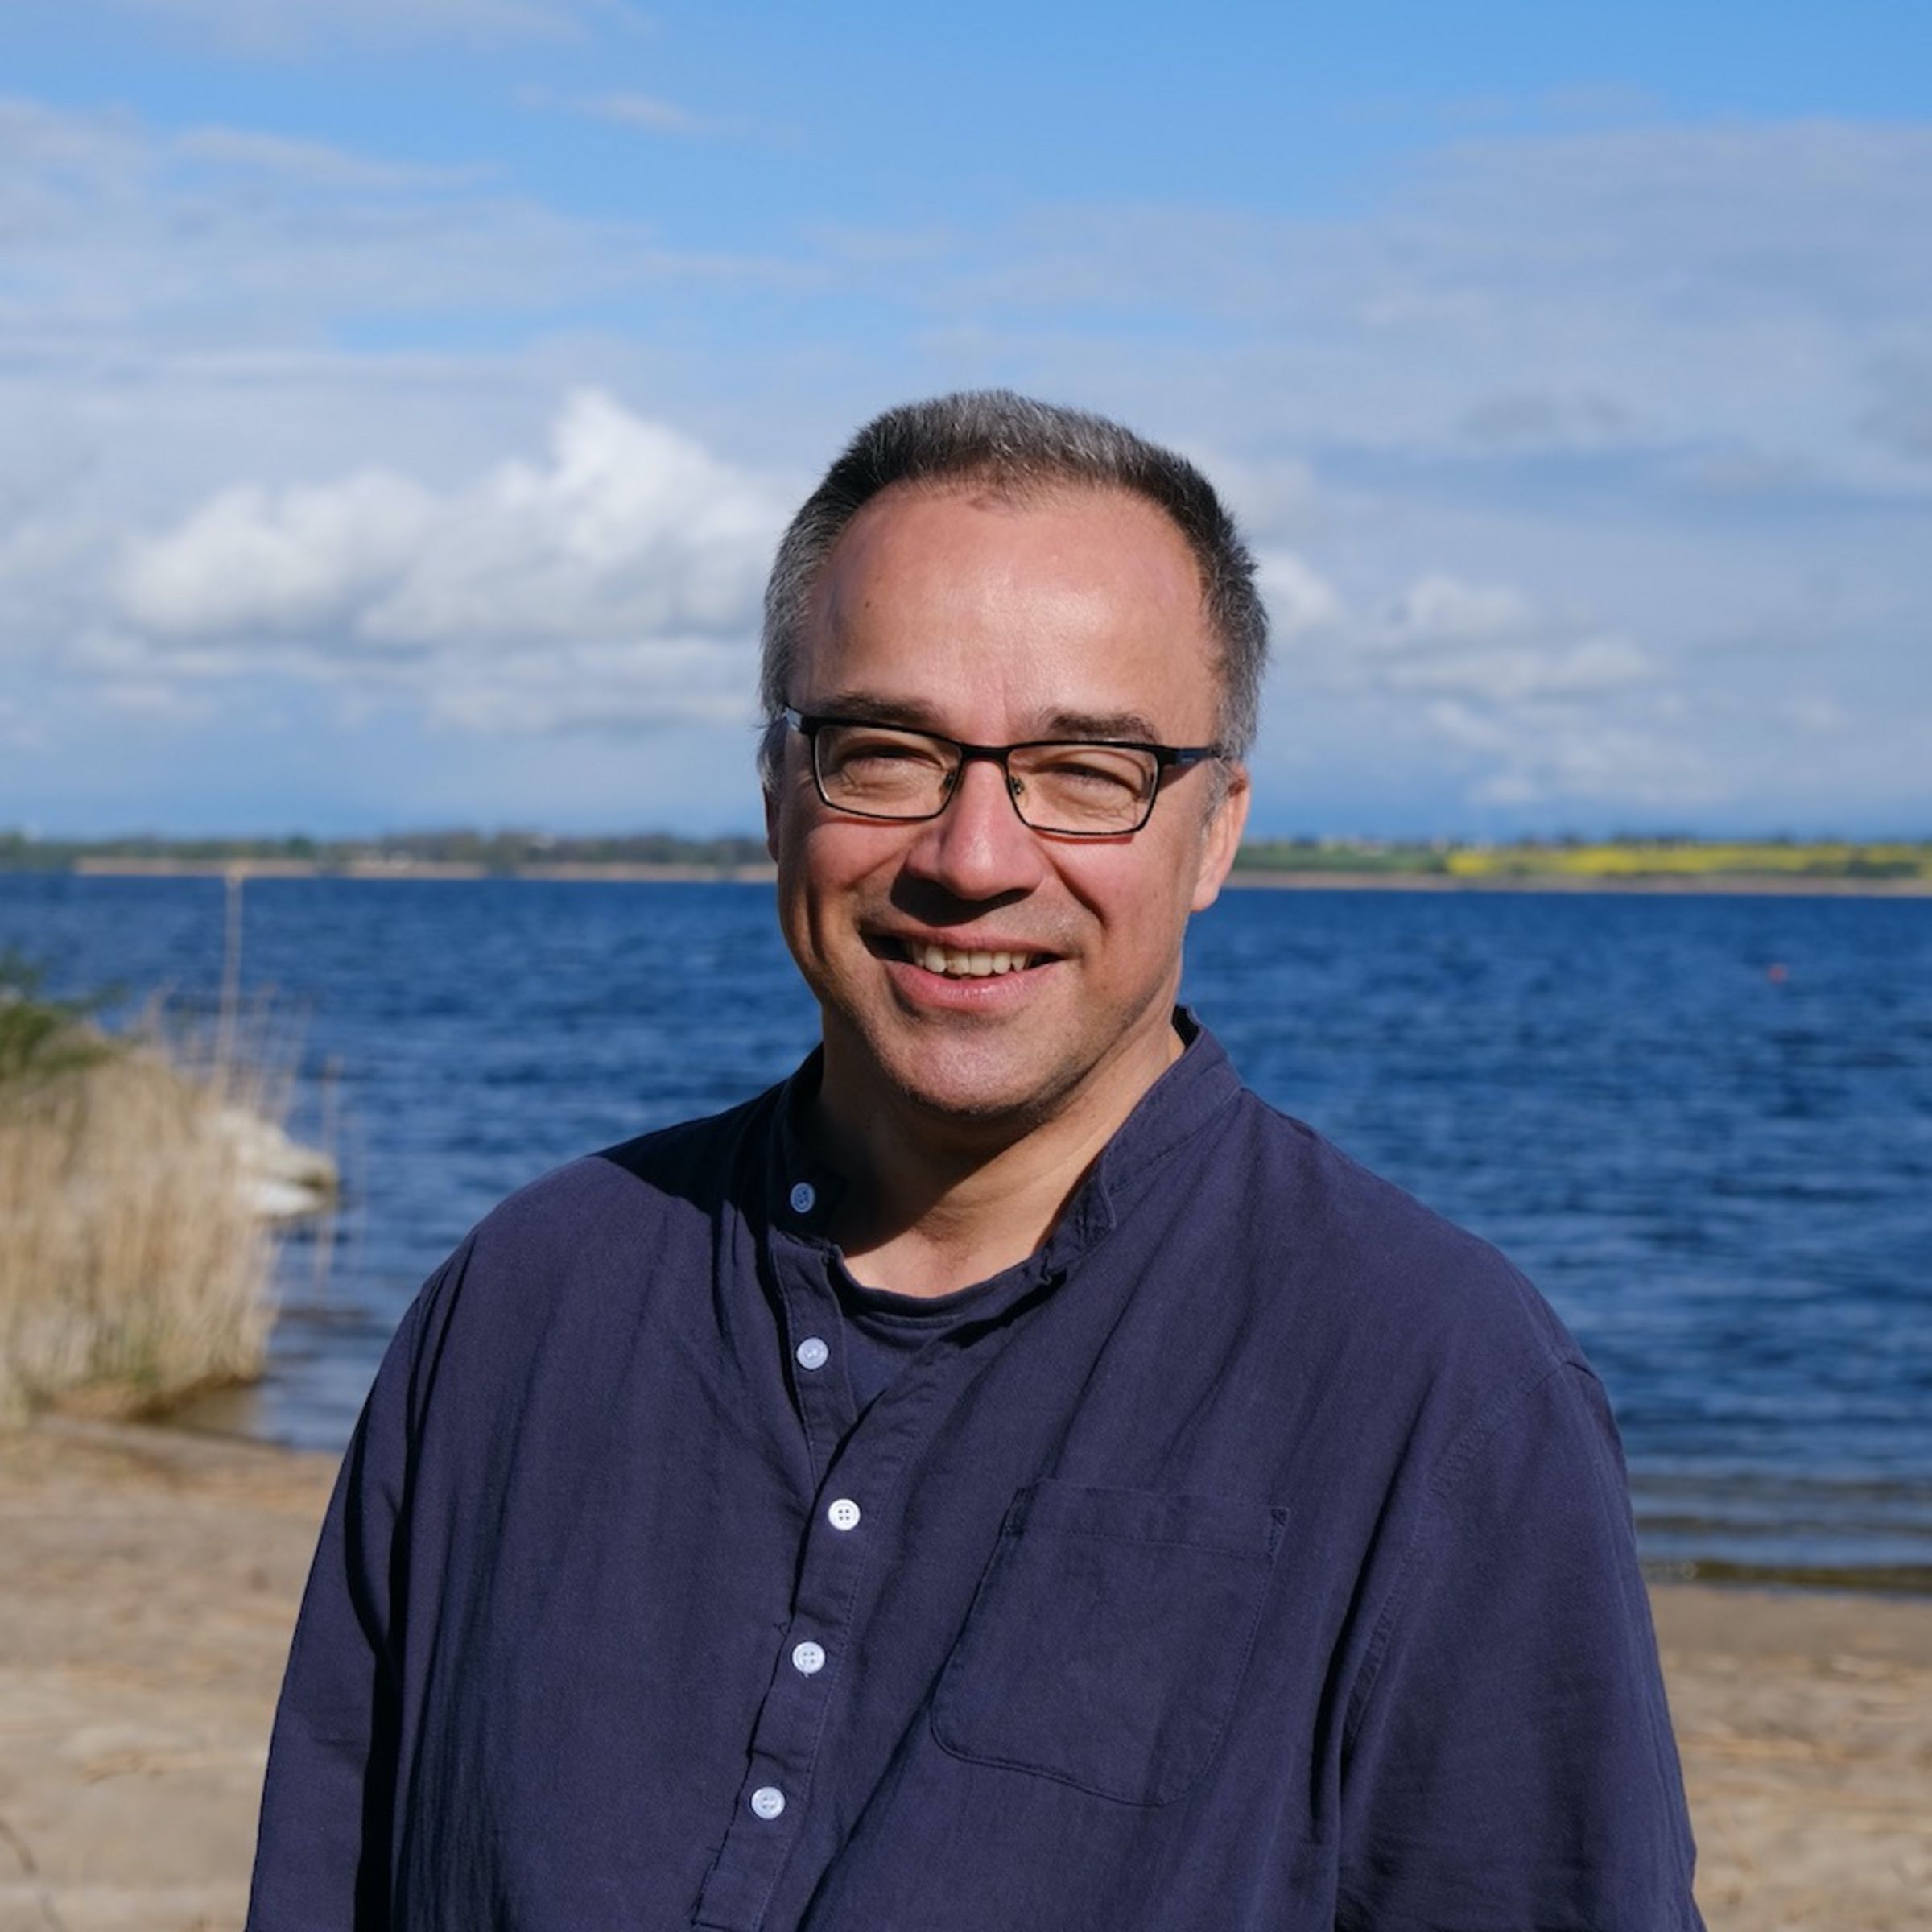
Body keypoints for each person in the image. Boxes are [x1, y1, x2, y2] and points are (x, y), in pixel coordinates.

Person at [248, 392, 1704, 1930]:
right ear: (777, 795)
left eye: (1088, 769)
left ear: (1215, 833)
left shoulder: (1440, 1390)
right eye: (887, 752)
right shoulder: (525, 1308)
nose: (973, 857)